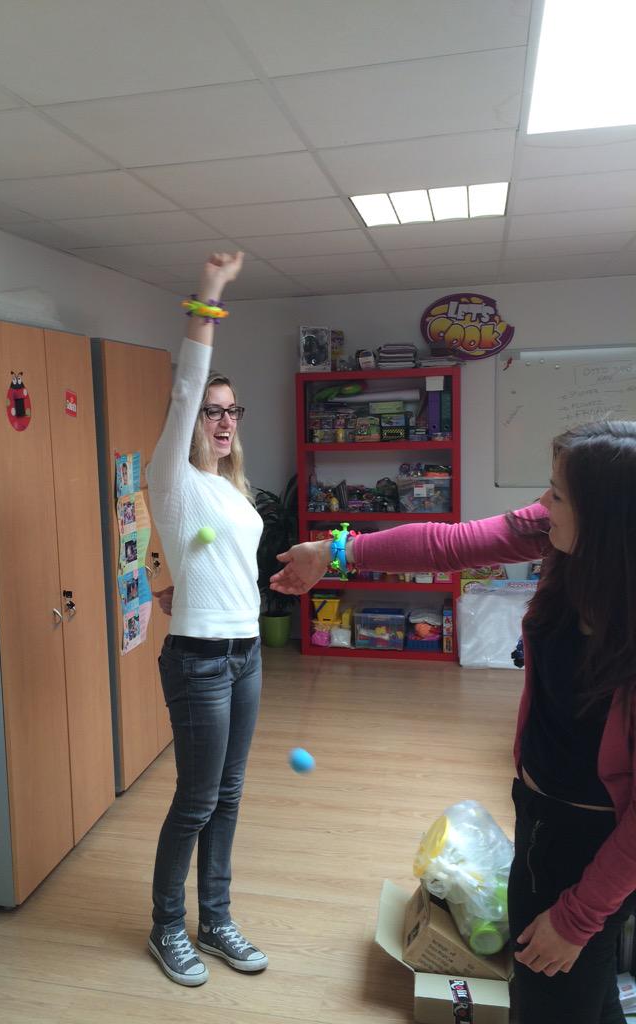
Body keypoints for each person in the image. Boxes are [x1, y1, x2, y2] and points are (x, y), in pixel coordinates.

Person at [270, 420, 636, 1024]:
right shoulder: (563, 541)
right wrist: (334, 551)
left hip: (594, 844)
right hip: (541, 811)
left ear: (607, 518)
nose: (542, 503)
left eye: (557, 493)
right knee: (589, 998)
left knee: (549, 1000)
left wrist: (576, 919)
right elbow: (448, 544)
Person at [145, 251, 268, 987]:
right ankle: (166, 926)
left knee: (228, 795)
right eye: (211, 410)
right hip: (199, 660)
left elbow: (210, 558)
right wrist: (210, 296)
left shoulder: (231, 491)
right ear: (192, 418)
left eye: (232, 410)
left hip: (246, 653)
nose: (222, 419)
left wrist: (172, 580)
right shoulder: (175, 477)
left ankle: (214, 920)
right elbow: (188, 382)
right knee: (196, 799)